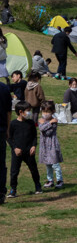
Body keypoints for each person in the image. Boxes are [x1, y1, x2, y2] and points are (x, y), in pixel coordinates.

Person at [7, 102, 43, 198]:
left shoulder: (30, 123)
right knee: (14, 171)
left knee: (34, 169)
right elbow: (9, 138)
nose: (29, 113)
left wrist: (33, 146)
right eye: (27, 111)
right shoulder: (13, 124)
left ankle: (38, 186)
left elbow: (34, 136)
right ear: (20, 112)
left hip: (29, 151)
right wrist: (15, 148)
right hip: (17, 152)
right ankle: (13, 190)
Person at [38, 101, 65, 190]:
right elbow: (41, 128)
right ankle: (50, 180)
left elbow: (47, 132)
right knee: (47, 164)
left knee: (55, 163)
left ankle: (59, 180)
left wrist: (46, 123)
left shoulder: (54, 121)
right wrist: (47, 124)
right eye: (44, 112)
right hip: (44, 145)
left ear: (52, 112)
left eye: (48, 112)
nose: (45, 114)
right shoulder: (42, 120)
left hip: (52, 144)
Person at [0, 73, 10, 203]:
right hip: (1, 130)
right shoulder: (4, 88)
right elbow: (9, 111)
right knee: (1, 162)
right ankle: (1, 192)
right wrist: (8, 129)